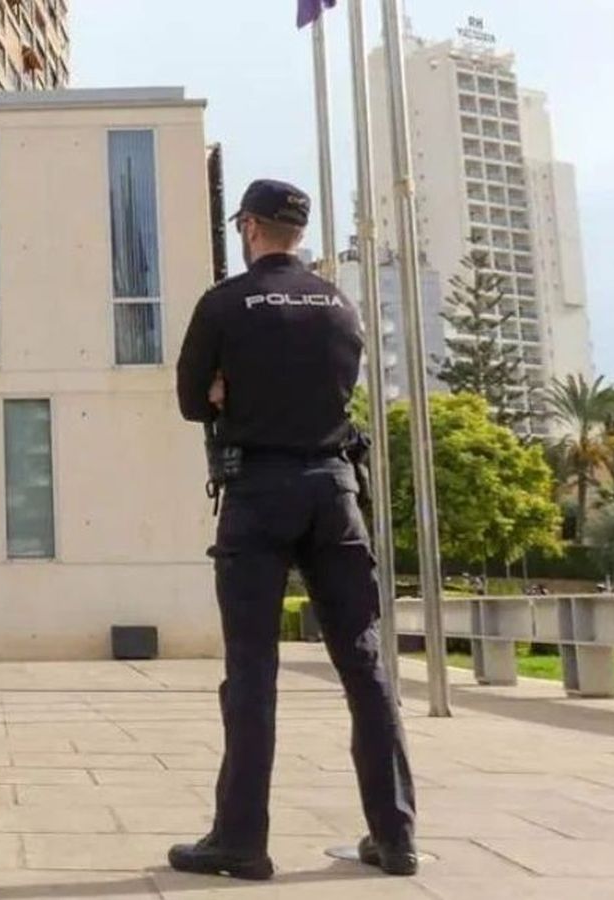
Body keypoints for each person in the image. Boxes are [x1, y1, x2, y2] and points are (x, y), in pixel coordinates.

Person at [168, 180, 418, 880]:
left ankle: (241, 841)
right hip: (335, 492)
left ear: (248, 227)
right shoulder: (340, 305)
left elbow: (192, 401)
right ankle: (395, 836)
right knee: (365, 665)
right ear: (298, 232)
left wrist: (225, 387)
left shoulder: (224, 303)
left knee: (252, 672)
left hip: (258, 492)